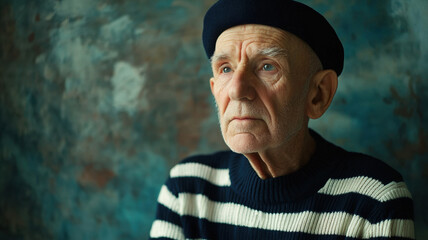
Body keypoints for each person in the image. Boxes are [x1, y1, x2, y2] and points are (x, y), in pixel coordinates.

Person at [149, 0, 415, 239]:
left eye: (267, 66)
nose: (237, 90)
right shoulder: (186, 191)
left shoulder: (375, 200)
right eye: (226, 69)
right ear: (214, 88)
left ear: (318, 94)